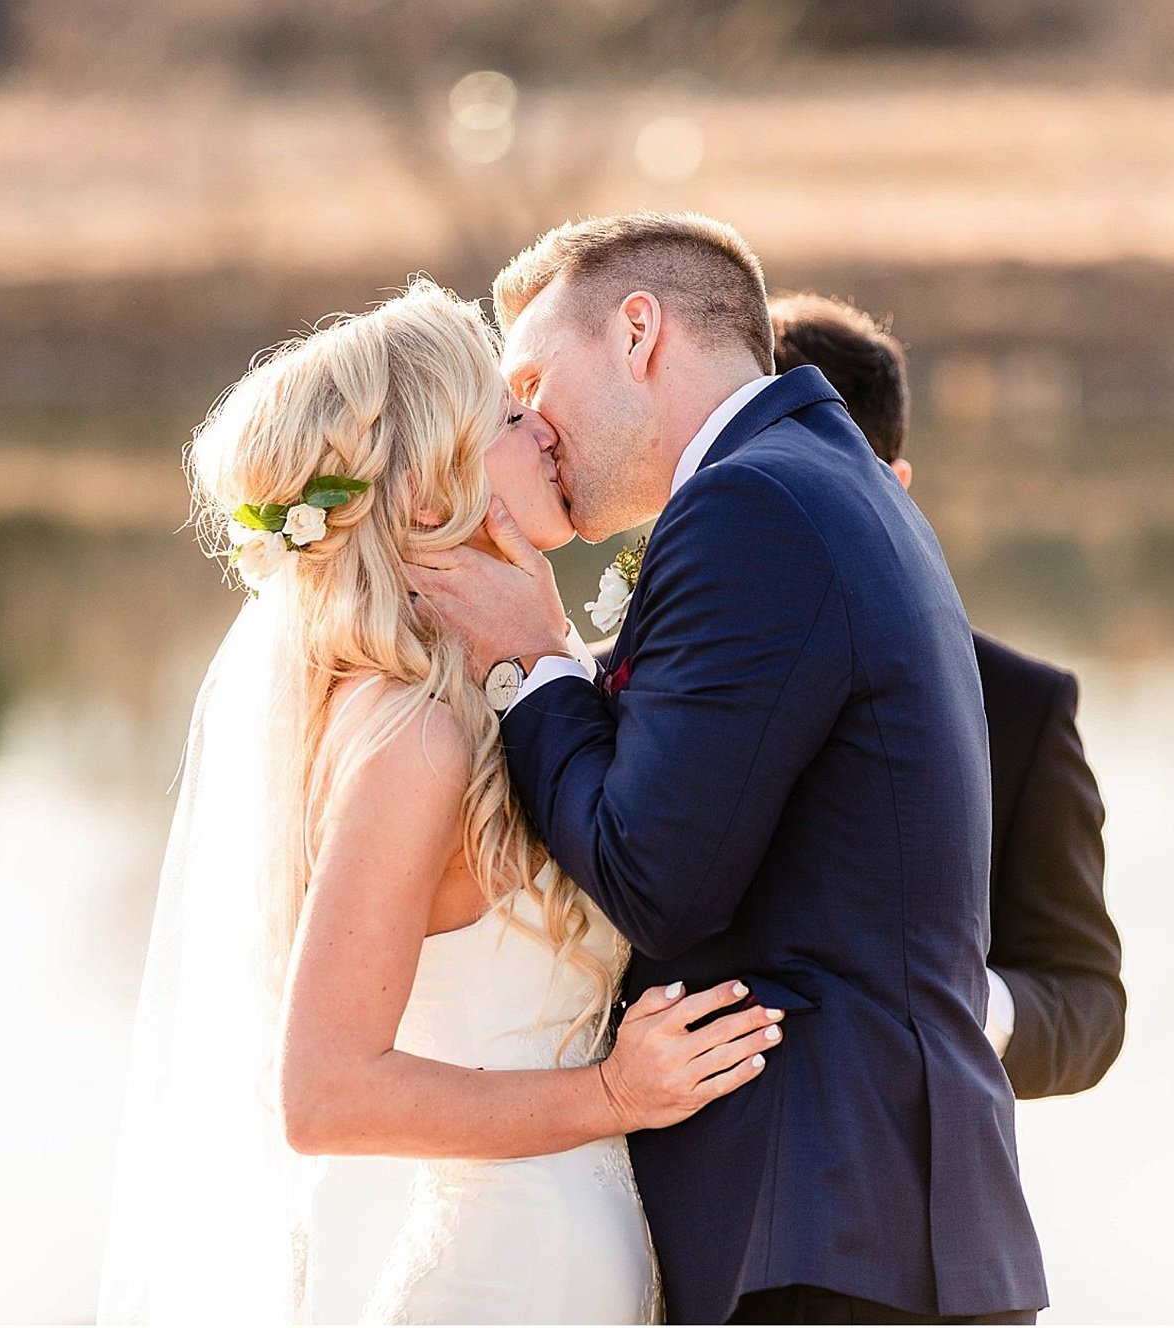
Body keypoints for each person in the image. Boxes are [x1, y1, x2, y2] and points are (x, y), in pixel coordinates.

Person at [96, 279, 787, 1325]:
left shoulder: (483, 700)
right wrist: (611, 1094)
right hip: (504, 1280)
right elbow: (324, 1090)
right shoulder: (412, 733)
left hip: (564, 1268)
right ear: (432, 491)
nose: (543, 427)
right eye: (508, 417)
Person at [412, 213, 1047, 1326]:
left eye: (532, 379)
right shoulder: (827, 479)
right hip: (878, 1225)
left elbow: (659, 873)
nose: (532, 426)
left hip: (823, 1236)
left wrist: (535, 660)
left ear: (639, 331)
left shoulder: (752, 504)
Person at [768, 291, 1124, 1099]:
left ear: (895, 488)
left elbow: (1090, 1005)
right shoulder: (616, 679)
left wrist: (965, 1002)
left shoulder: (1021, 708)